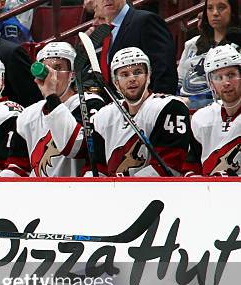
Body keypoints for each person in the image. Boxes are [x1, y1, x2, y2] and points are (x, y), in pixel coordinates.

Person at [2, 42, 105, 177]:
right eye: (46, 69)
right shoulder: (27, 115)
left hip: (73, 192)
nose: (52, 75)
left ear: (72, 75)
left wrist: (51, 95)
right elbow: (18, 167)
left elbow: (74, 147)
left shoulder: (89, 103)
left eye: (58, 67)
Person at [91, 47, 190, 176]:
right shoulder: (103, 116)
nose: (132, 78)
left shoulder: (170, 107)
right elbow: (96, 168)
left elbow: (170, 166)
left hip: (158, 194)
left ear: (148, 75)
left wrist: (123, 191)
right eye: (124, 74)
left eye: (137, 72)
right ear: (116, 82)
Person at [94, 0, 177, 95]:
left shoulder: (146, 20)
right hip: (120, 106)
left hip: (149, 105)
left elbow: (165, 70)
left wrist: (159, 105)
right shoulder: (105, 32)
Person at [186, 44, 240, 176]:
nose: (226, 82)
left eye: (231, 75)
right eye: (218, 77)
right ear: (211, 84)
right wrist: (192, 176)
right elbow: (190, 165)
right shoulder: (202, 118)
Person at [178, 0, 239, 110]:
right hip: (184, 105)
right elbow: (179, 81)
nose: (215, 13)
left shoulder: (238, 44)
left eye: (221, 7)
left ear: (232, 11)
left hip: (221, 107)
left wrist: (193, 101)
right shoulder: (192, 44)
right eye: (210, 8)